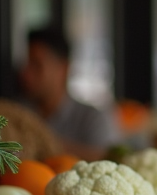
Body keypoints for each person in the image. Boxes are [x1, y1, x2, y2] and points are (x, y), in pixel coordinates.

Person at [19, 27, 119, 160]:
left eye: (37, 65)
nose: (26, 74)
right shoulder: (15, 115)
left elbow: (110, 159)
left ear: (64, 68)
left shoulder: (94, 119)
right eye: (26, 64)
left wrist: (41, 144)